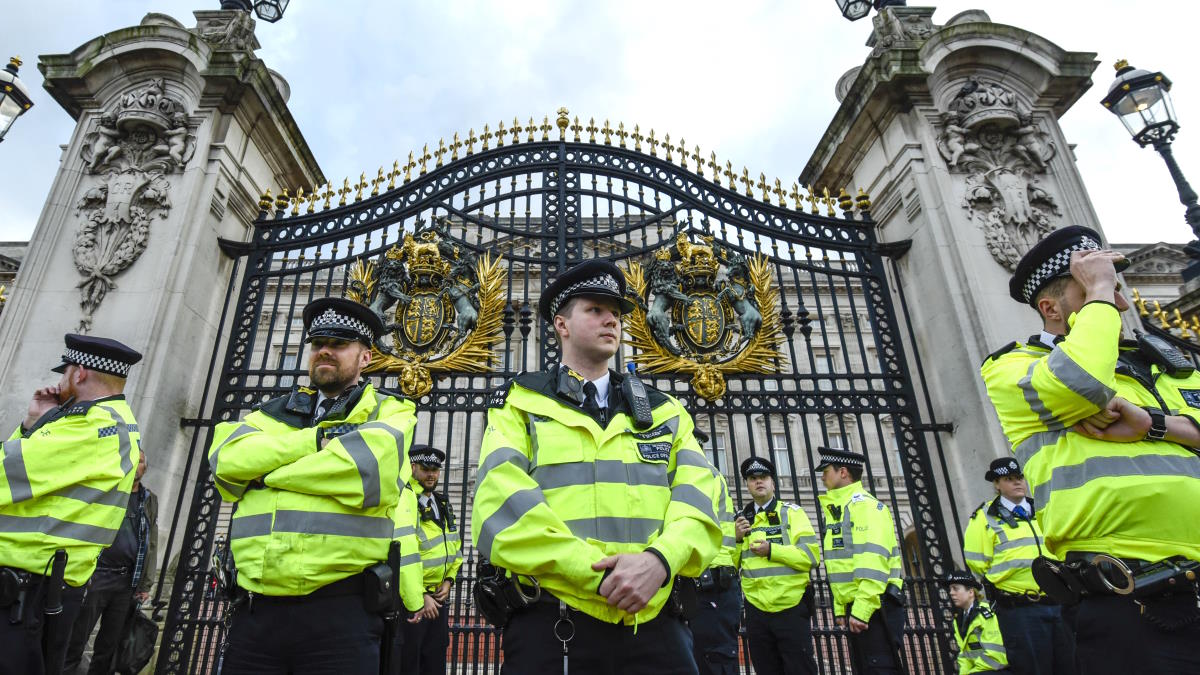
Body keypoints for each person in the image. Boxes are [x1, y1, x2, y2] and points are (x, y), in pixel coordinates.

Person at [471, 259, 724, 674]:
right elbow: (500, 508)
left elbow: (703, 501)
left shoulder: (666, 411)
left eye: (616, 313)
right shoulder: (519, 403)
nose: (612, 320)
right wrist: (601, 577)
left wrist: (660, 561)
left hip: (655, 623)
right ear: (561, 325)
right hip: (554, 622)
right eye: (595, 309)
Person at [980, 226, 1200, 672]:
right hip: (1130, 596)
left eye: (1114, 288)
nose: (1120, 304)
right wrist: (1099, 289)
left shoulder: (1168, 365)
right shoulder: (1015, 367)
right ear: (1050, 309)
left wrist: (1156, 425)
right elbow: (1084, 381)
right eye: (1098, 288)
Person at [208, 296, 418, 674]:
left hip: (341, 612)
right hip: (256, 612)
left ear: (366, 357)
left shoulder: (390, 411)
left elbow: (366, 472)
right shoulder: (270, 412)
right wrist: (315, 443)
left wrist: (265, 474)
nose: (325, 351)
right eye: (318, 343)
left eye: (339, 344)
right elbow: (225, 463)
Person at [1, 334, 143, 675]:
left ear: (79, 373)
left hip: (30, 587)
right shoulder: (106, 421)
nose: (59, 382)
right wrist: (33, 424)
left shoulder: (95, 426)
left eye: (64, 373)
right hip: (41, 583)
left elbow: (8, 474)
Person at [963, 458, 1074, 675]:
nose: (1017, 482)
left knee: (1071, 666)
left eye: (1020, 477)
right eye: (1009, 479)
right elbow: (977, 564)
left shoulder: (1042, 508)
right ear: (997, 484)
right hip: (1020, 609)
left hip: (1059, 603)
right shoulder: (984, 517)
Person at [63, 451, 159, 675]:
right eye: (133, 458)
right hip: (98, 575)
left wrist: (146, 583)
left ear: (145, 468)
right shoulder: (110, 491)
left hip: (126, 582)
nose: (136, 464)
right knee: (77, 637)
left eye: (141, 461)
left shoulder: (148, 499)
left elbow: (151, 541)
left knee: (109, 645)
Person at [816, 447, 906, 675]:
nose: (822, 477)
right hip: (858, 605)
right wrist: (840, 608)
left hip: (874, 606)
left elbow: (872, 563)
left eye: (826, 471)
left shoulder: (864, 506)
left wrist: (862, 609)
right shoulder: (841, 508)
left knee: (879, 668)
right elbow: (839, 565)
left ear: (843, 472)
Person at [734, 456, 819, 675]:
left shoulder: (792, 513)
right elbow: (731, 565)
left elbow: (810, 556)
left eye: (763, 477)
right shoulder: (740, 519)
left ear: (773, 482)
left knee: (800, 669)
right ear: (747, 484)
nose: (758, 481)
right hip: (756, 609)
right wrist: (736, 540)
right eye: (753, 478)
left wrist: (772, 550)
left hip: (791, 606)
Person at [399, 445, 463, 675]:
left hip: (438, 599)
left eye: (435, 470)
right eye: (426, 469)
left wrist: (449, 580)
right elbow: (404, 554)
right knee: (409, 664)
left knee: (434, 662)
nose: (431, 475)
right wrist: (420, 596)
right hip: (413, 602)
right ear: (413, 468)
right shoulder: (405, 500)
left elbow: (454, 546)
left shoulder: (441, 502)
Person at [687, 430, 741, 675]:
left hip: (709, 579)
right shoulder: (710, 475)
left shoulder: (699, 475)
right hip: (710, 578)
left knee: (710, 660)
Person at [945, 570, 1010, 674]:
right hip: (980, 671)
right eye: (950, 589)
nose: (951, 593)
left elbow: (996, 655)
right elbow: (964, 655)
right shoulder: (958, 620)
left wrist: (973, 673)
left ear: (971, 592)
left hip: (997, 670)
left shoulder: (987, 613)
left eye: (955, 588)